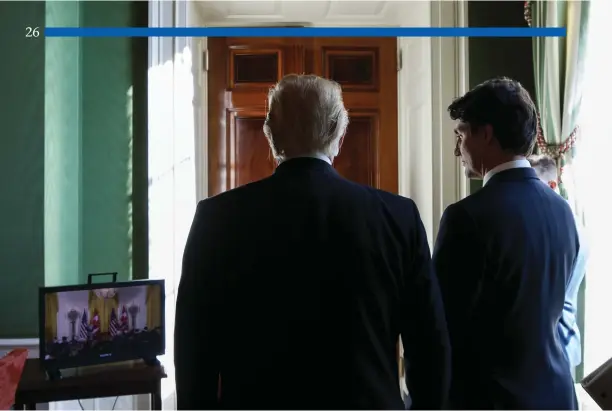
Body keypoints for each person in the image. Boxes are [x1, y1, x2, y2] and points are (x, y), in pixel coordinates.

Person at [175, 74, 451, 410]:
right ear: (339, 133)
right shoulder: (397, 217)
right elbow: (429, 344)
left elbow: (194, 351)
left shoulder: (216, 218)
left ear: (270, 133)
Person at [433, 77, 580, 409]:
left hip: (493, 400)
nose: (458, 148)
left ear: (486, 134)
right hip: (557, 396)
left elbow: (442, 328)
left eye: (461, 135)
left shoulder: (466, 217)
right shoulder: (563, 210)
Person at [528, 154, 588, 371]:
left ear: (552, 184)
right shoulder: (572, 223)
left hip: (553, 344)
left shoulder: (560, 228)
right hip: (564, 343)